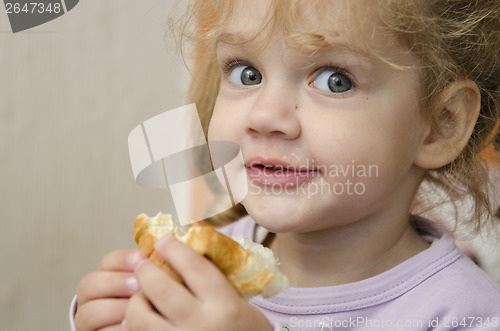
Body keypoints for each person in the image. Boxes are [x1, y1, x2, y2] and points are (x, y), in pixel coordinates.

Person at [71, 0, 500, 330]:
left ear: (440, 127)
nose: (264, 116)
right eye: (245, 73)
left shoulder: (463, 314)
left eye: (335, 79)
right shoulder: (205, 264)